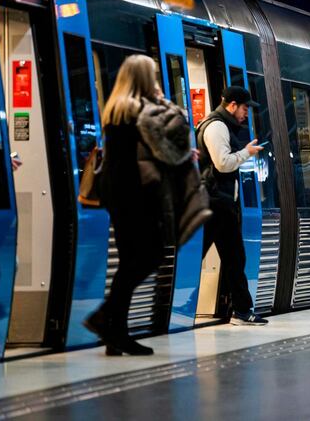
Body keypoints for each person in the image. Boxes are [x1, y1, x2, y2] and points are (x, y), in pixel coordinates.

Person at [85, 54, 211, 355]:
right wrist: (183, 154)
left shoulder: (117, 110)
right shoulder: (143, 111)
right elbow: (168, 145)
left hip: (118, 194)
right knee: (151, 256)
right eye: (153, 74)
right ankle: (106, 319)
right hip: (139, 195)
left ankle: (116, 333)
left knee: (129, 262)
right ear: (145, 78)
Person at [197, 86, 268, 325]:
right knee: (223, 256)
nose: (247, 113)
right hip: (214, 204)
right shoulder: (216, 126)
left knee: (234, 257)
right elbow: (222, 164)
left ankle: (241, 310)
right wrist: (246, 153)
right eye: (245, 108)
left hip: (220, 203)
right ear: (232, 105)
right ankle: (240, 310)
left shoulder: (222, 125)